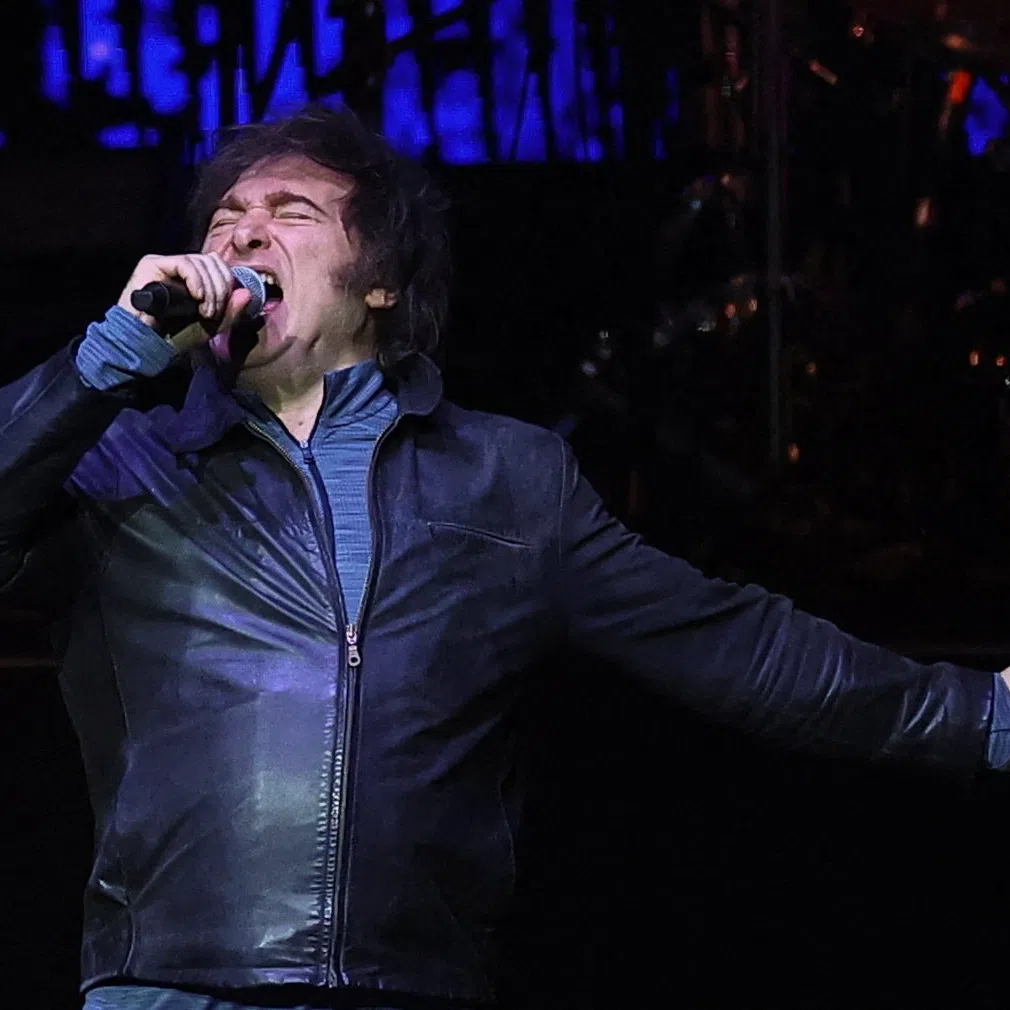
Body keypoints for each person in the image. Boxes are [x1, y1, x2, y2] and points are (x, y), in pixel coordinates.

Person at [1, 103, 1008, 1010]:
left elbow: (732, 643)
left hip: (412, 986)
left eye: (292, 211)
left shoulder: (507, 481)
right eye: (224, 218)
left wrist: (982, 716)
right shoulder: (120, 468)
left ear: (381, 283)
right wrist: (109, 356)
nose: (242, 234)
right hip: (174, 987)